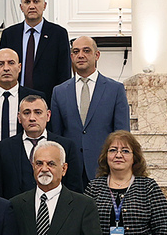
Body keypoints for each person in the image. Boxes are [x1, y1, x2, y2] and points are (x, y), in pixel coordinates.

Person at [49, 37, 131, 186]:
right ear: (71, 56)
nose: (81, 55)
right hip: (70, 172)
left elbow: (122, 135)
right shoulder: (59, 92)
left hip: (104, 169)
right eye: (76, 51)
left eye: (86, 51)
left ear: (97, 55)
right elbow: (56, 135)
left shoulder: (115, 89)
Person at [0, 95, 83, 198]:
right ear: (19, 118)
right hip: (14, 206)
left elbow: (74, 188)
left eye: (38, 112)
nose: (32, 118)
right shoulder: (4, 147)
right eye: (26, 113)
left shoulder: (66, 146)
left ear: (48, 115)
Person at [0, 0, 71, 101]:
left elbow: (64, 73)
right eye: (27, 2)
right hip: (14, 99)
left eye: (36, 1)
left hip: (47, 100)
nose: (32, 6)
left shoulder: (58, 34)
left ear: (44, 5)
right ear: (21, 7)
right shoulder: (9, 34)